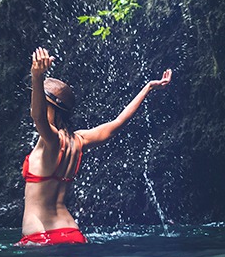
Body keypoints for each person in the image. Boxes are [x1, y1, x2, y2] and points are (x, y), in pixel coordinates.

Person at [18, 47, 172, 246]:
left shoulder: (51, 139)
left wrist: (37, 76)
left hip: (41, 237)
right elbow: (117, 124)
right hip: (71, 232)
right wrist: (148, 88)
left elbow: (38, 116)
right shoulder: (79, 140)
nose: (32, 103)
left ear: (48, 106)